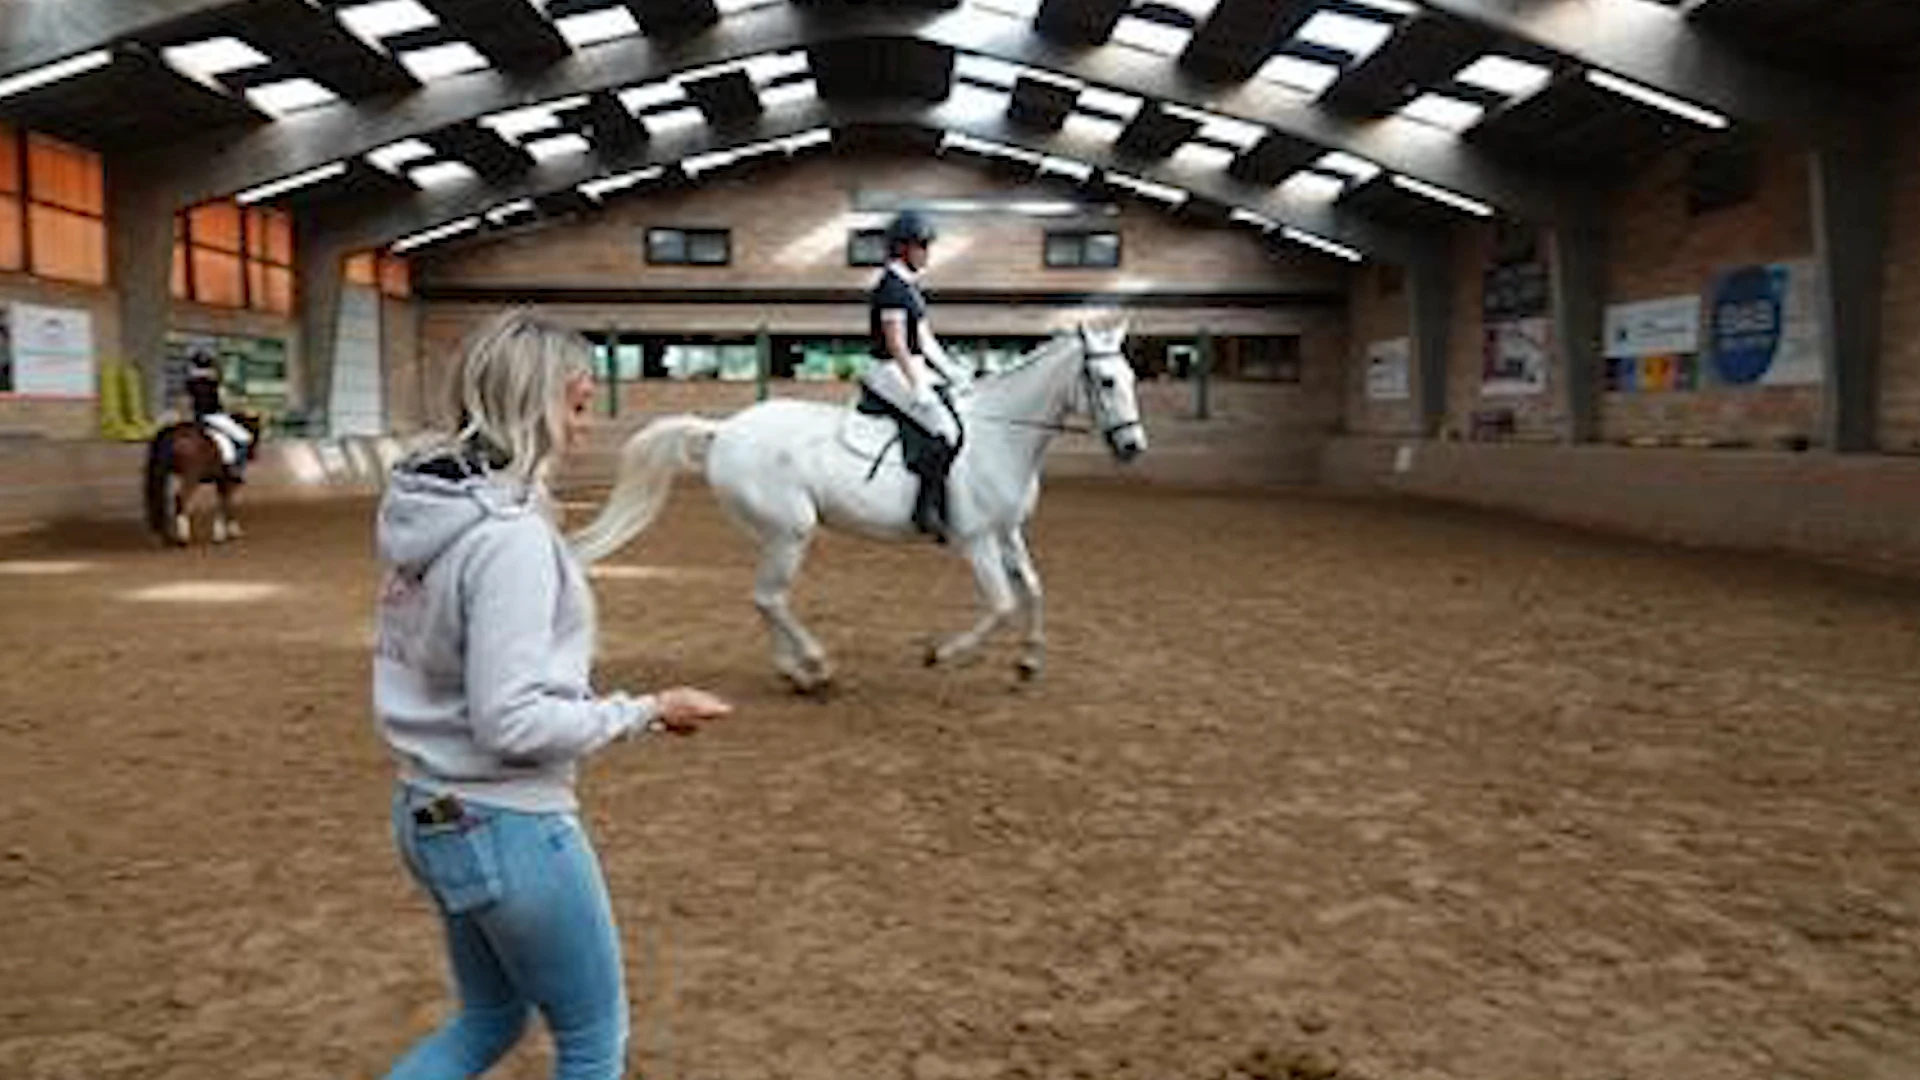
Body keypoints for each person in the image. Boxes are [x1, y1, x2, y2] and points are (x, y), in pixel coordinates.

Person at [373, 307, 732, 1080]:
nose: (587, 426)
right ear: (548, 400)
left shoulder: (431, 517)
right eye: (578, 403)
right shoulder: (509, 542)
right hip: (507, 823)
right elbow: (510, 719)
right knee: (593, 1041)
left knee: (490, 1018)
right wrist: (645, 711)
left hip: (428, 808)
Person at [861, 209, 964, 541]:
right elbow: (896, 344)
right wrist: (918, 385)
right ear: (904, 249)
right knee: (944, 429)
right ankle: (925, 509)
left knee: (958, 412)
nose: (927, 254)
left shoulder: (910, 288)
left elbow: (925, 340)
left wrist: (951, 370)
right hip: (888, 368)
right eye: (922, 247)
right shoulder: (890, 287)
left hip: (910, 364)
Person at [183, 351, 255, 479]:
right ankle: (234, 468)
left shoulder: (189, 382)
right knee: (245, 438)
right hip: (214, 416)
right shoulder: (214, 382)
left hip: (196, 416)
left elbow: (185, 402)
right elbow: (224, 402)